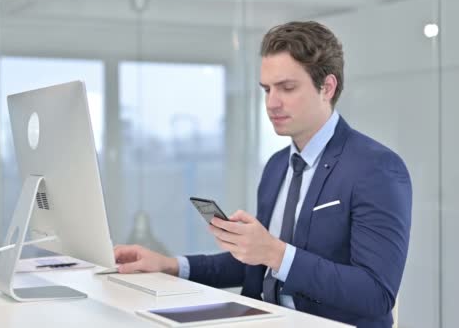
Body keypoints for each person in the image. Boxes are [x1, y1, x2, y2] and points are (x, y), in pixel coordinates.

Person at [114, 21, 412, 328]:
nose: (271, 103)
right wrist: (170, 266)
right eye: (267, 89)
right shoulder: (277, 166)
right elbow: (255, 265)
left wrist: (275, 252)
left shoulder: (376, 168)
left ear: (328, 87)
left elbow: (376, 293)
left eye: (287, 88)